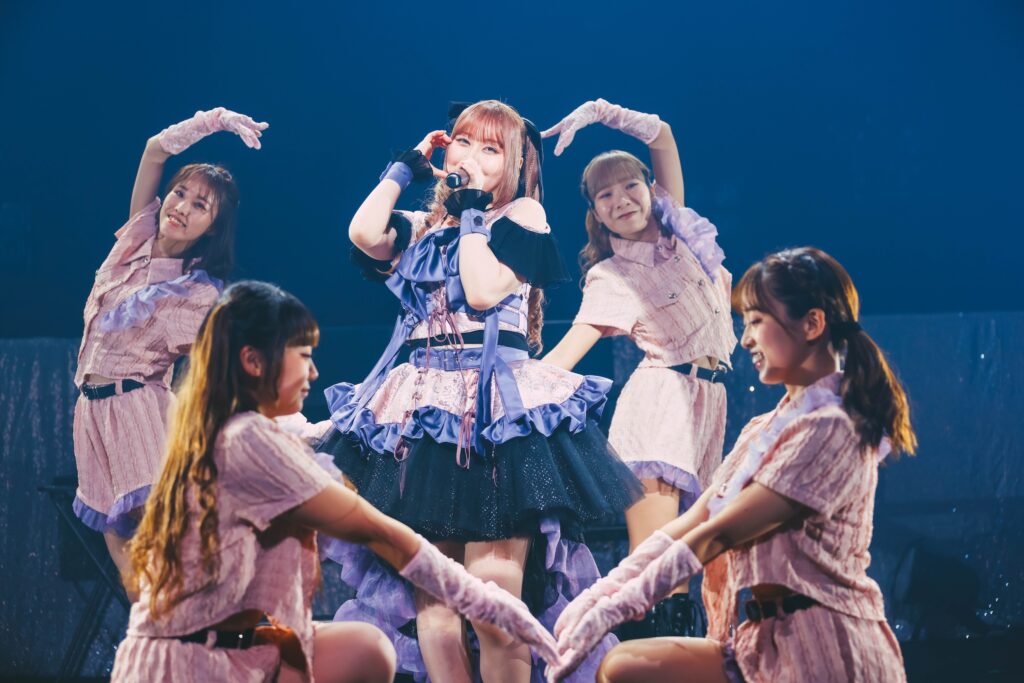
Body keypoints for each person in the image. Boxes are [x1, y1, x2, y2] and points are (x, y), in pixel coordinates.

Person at [316, 100, 643, 682]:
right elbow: (363, 234)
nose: (470, 155)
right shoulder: (427, 226)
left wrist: (470, 211)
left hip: (494, 414)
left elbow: (484, 290)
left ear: (512, 164)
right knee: (434, 608)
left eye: (490, 148)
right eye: (463, 142)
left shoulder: (522, 215)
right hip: (425, 411)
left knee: (495, 606)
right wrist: (405, 168)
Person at [112, 281, 561, 682]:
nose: (314, 374)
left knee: (364, 650)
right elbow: (379, 533)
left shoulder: (229, 429)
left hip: (237, 644)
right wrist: (492, 605)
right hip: (191, 664)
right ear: (253, 362)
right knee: (366, 649)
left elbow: (318, 446)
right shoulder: (246, 441)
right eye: (304, 357)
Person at [548, 247, 915, 683]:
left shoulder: (833, 428)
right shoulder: (764, 428)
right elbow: (696, 518)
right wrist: (597, 597)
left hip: (828, 647)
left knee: (624, 667)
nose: (745, 340)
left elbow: (719, 533)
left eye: (757, 321)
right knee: (622, 667)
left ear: (812, 324)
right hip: (761, 642)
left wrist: (613, 610)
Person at [543, 99, 736, 637]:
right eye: (605, 195)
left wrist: (599, 112)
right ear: (595, 213)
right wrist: (510, 387)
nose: (621, 199)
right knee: (655, 564)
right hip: (659, 405)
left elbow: (663, 135)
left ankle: (680, 657)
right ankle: (639, 661)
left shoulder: (684, 237)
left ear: (651, 189)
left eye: (629, 185)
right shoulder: (611, 275)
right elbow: (568, 352)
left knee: (688, 564)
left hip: (707, 404)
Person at [72, 107, 266, 584]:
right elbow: (154, 150)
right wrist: (214, 121)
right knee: (124, 553)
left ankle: (215, 623)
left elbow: (223, 363)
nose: (181, 207)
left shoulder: (197, 291)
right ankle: (160, 630)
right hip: (90, 413)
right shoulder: (135, 239)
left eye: (200, 206)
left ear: (212, 227)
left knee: (165, 549)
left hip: (138, 409)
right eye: (180, 193)